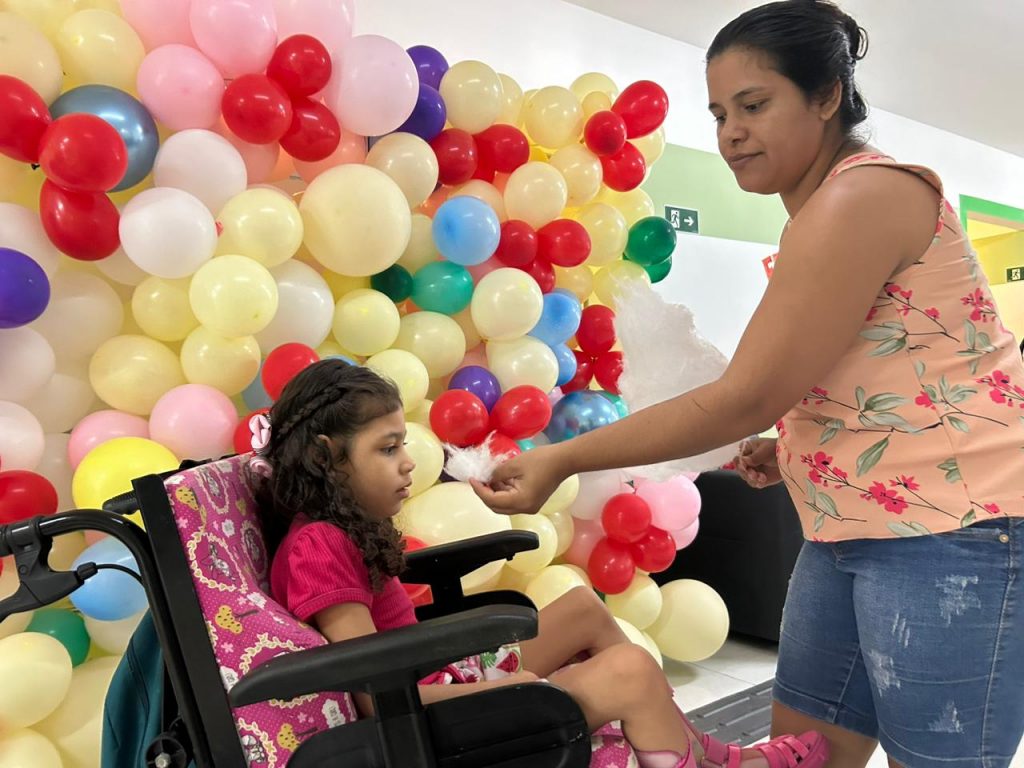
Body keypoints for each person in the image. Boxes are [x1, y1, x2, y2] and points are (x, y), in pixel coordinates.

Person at [473, 2, 1024, 768]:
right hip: (844, 530)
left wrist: (565, 458)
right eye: (720, 112)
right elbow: (846, 375)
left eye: (755, 105)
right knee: (805, 752)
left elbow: (745, 393)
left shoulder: (865, 197)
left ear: (827, 95)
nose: (730, 132)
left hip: (953, 533)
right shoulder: (818, 219)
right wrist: (794, 445)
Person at [250, 359, 828, 768]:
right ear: (327, 458)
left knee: (581, 606)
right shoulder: (320, 549)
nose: (408, 463)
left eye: (403, 443)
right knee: (629, 670)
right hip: (421, 717)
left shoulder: (340, 532)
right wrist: (501, 692)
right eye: (387, 448)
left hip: (440, 680)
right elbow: (374, 694)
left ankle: (704, 753)